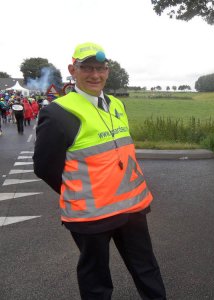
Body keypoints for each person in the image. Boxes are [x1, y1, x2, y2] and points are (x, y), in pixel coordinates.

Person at [33, 42, 166, 300]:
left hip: (131, 208)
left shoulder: (116, 104)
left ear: (108, 70)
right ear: (73, 70)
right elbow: (44, 167)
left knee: (147, 270)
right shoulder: (58, 113)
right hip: (90, 216)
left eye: (101, 68)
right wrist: (78, 190)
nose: (95, 75)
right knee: (96, 282)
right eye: (87, 68)